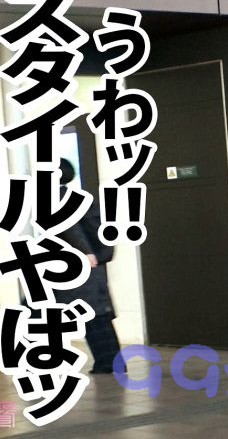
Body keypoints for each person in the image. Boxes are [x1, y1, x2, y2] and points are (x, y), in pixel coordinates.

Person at [55, 158, 122, 374]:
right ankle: (110, 362)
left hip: (80, 265)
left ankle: (109, 363)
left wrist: (85, 252)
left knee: (92, 314)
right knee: (96, 313)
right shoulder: (78, 196)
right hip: (90, 265)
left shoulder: (57, 197)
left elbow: (70, 227)